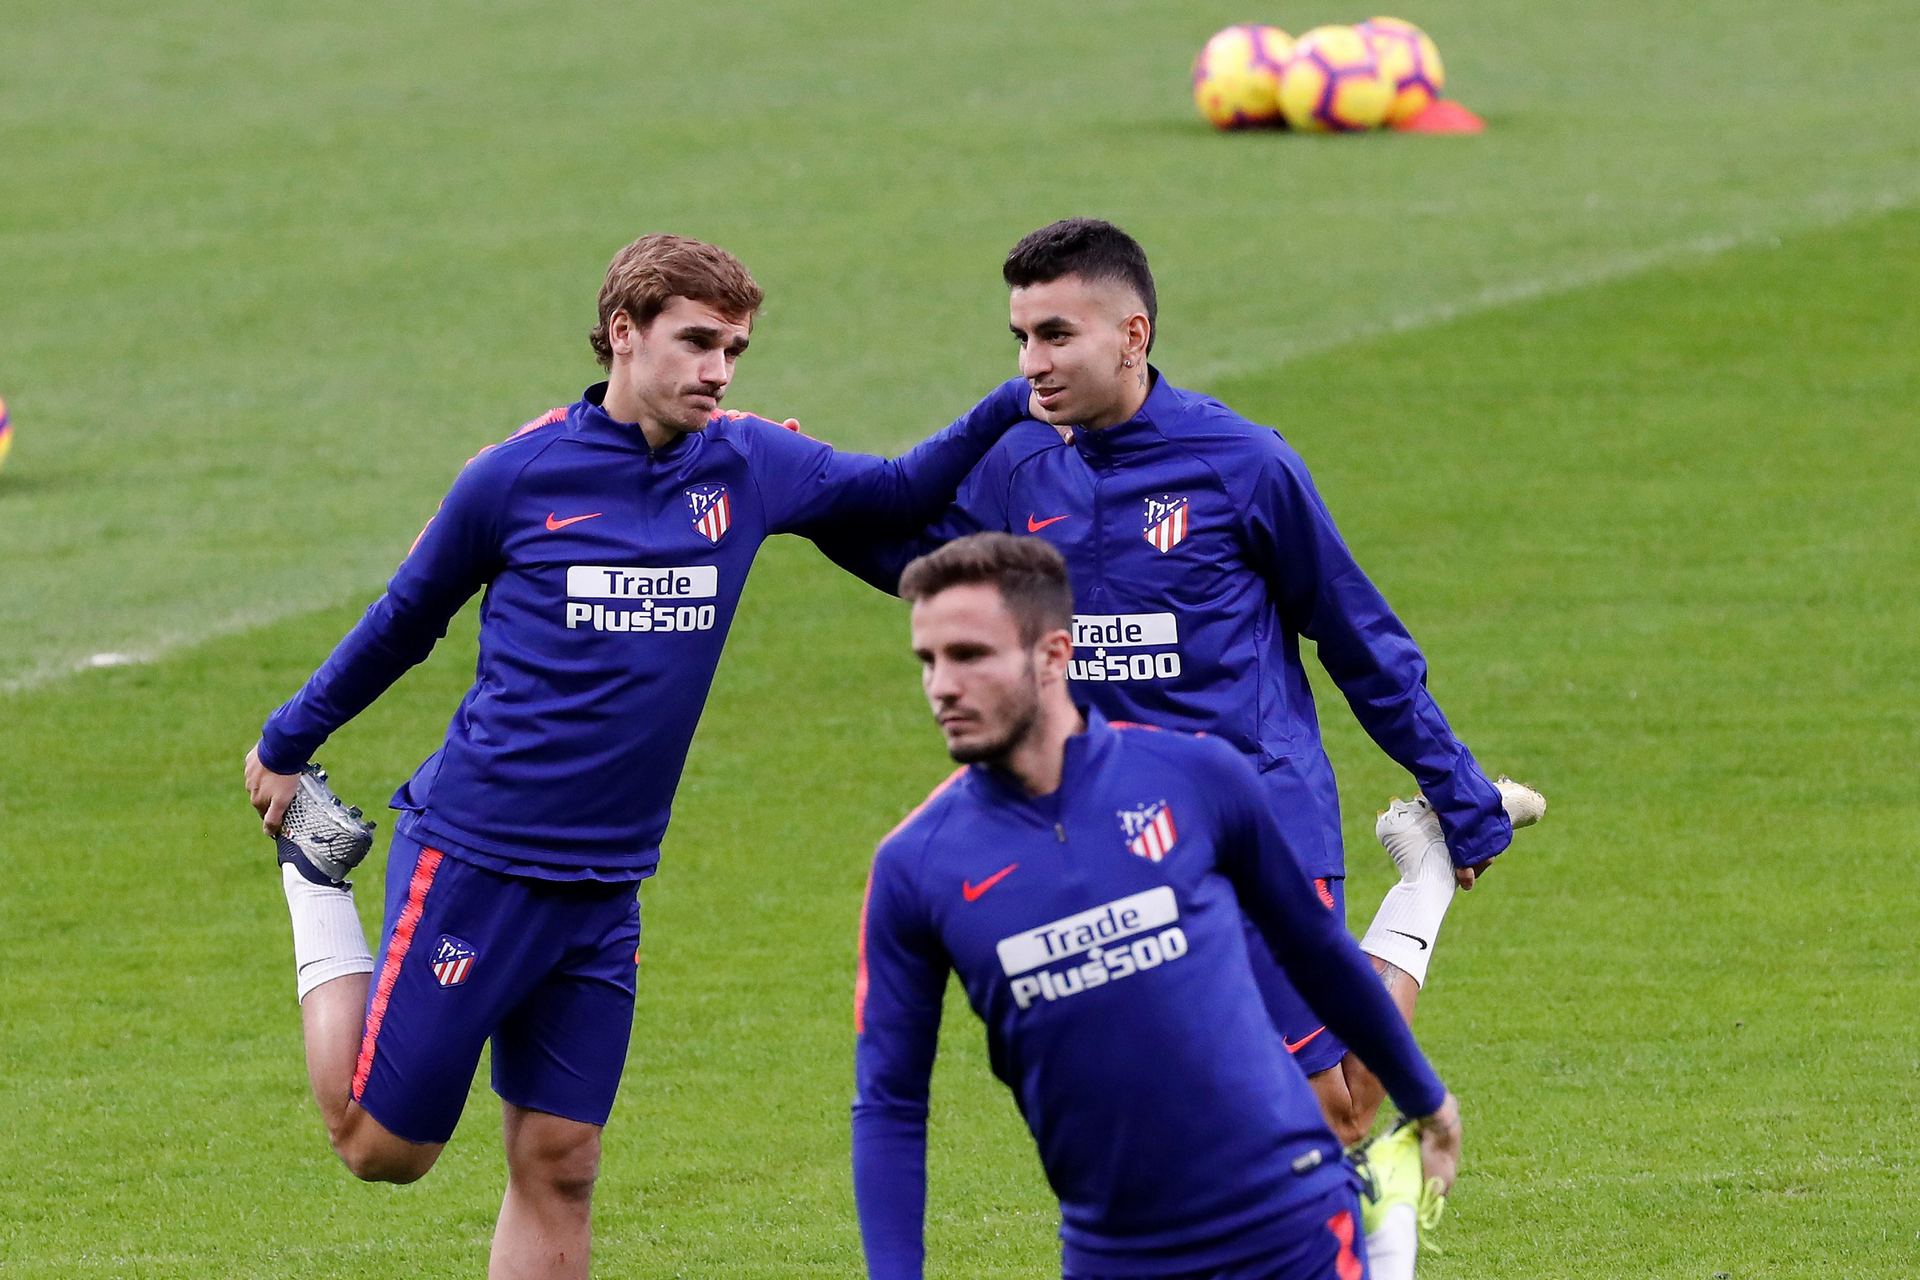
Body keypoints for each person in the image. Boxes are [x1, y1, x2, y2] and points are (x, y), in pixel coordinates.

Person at [243, 233, 1033, 1279]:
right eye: (698, 341)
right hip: (478, 857)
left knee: (562, 1160)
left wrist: (1013, 400)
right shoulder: (515, 478)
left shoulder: (752, 462)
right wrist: (287, 741)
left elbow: (895, 492)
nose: (718, 369)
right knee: (383, 1145)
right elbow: (404, 620)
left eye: (736, 349)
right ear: (625, 332)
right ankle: (314, 877)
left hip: (606, 882)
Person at [819, 217, 1520, 1156]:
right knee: (1184, 1113)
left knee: (1338, 1109)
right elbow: (914, 556)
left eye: (1057, 335)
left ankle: (1426, 876)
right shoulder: (1017, 465)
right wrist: (797, 493)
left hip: (1257, 813)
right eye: (1021, 338)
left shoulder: (1242, 465)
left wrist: (1457, 786)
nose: (1032, 362)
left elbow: (1360, 638)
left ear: (1133, 335)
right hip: (1116, 831)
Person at [853, 532, 1462, 1279]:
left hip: (1290, 1229)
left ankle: (1376, 1212)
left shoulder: (1196, 780)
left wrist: (1427, 1101)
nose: (941, 685)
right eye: (929, 660)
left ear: (1052, 655)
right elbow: (890, 1105)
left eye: (970, 655)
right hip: (1114, 1259)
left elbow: (1317, 955)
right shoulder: (915, 868)